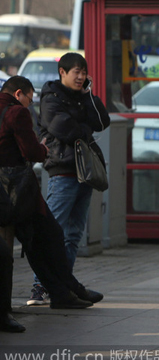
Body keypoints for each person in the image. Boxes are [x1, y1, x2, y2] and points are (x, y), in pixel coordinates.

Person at [0, 76, 103, 310]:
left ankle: (63, 291)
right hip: (16, 192)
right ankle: (67, 290)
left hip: (6, 192)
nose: (30, 103)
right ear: (18, 94)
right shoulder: (17, 113)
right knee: (52, 235)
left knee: (35, 241)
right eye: (29, 98)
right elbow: (31, 151)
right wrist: (43, 149)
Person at [29, 52, 110, 305]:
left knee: (73, 234)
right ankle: (40, 288)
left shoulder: (82, 97)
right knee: (53, 231)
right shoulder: (51, 98)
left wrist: (89, 96)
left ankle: (65, 286)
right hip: (62, 171)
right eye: (76, 72)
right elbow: (65, 129)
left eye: (84, 72)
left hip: (84, 174)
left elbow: (102, 121)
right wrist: (85, 128)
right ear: (62, 72)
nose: (80, 76)